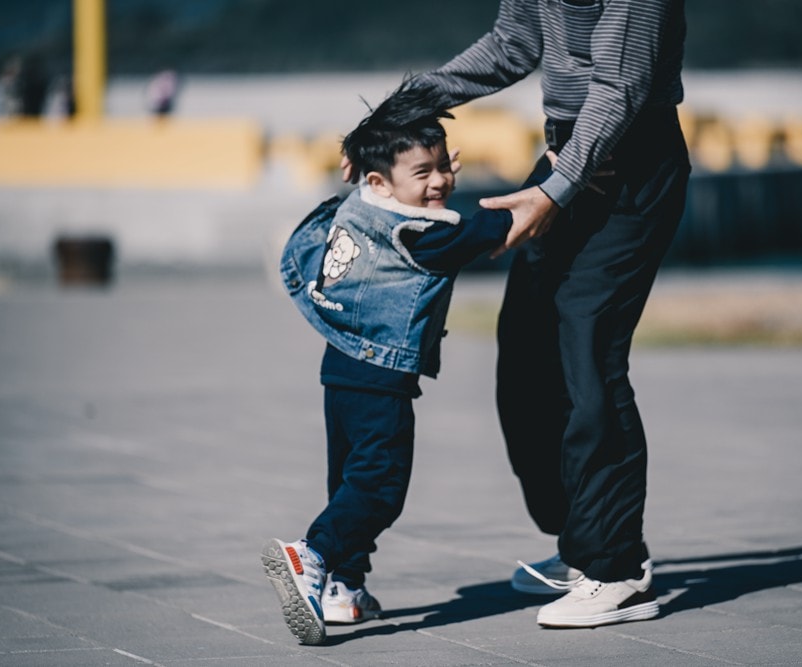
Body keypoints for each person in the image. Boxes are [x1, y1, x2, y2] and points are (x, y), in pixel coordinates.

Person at [372, 0, 692, 628]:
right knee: (524, 346)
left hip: (632, 163)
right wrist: (393, 115)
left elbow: (620, 84)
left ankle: (617, 569)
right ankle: (583, 540)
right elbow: (513, 43)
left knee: (589, 351)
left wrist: (554, 189)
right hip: (569, 155)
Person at [262, 86, 512, 646]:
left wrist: (377, 157)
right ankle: (312, 555)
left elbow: (365, 194)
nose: (440, 182)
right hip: (382, 382)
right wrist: (533, 200)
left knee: (348, 482)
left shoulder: (357, 207)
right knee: (379, 488)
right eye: (422, 172)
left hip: (340, 370)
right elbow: (482, 232)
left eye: (445, 166)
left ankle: (343, 588)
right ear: (380, 182)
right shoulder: (419, 234)